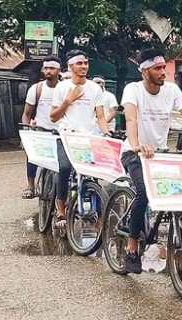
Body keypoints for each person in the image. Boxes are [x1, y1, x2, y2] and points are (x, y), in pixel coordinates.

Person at [120, 48, 182, 273]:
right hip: (134, 152)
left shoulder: (172, 90)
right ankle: (131, 247)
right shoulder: (132, 90)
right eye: (157, 68)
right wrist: (136, 144)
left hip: (160, 152)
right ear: (144, 70)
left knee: (177, 192)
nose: (162, 72)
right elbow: (130, 118)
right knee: (143, 194)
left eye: (163, 67)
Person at [50, 49, 111, 229]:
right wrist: (68, 100)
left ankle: (100, 216)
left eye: (85, 63)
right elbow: (53, 116)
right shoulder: (62, 88)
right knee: (65, 168)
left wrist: (106, 133)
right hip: (67, 136)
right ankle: (60, 208)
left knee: (94, 174)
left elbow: (100, 116)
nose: (83, 66)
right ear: (70, 66)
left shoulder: (94, 88)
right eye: (79, 63)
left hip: (88, 139)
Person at [20, 55, 61, 199]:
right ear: (43, 70)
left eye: (52, 68)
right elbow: (26, 114)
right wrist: (26, 132)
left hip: (61, 133)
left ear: (59, 70)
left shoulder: (65, 88)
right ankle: (30, 185)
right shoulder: (36, 89)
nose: (49, 71)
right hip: (41, 131)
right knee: (31, 157)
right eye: (46, 68)